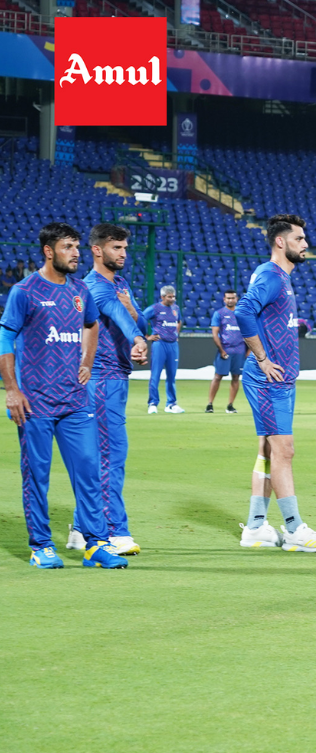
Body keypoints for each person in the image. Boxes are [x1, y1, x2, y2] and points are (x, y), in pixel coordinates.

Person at [0, 222, 128, 569]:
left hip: (74, 401)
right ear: (49, 250)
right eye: (68, 247)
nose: (75, 253)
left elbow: (91, 324)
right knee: (37, 475)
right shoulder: (24, 292)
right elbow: (5, 338)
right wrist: (12, 390)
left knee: (89, 471)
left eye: (76, 247)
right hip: (35, 403)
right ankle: (41, 545)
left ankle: (95, 544)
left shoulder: (80, 291)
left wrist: (87, 361)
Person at [235, 213, 316, 552]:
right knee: (284, 451)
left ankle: (255, 528)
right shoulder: (272, 275)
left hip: (278, 381)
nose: (306, 244)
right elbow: (244, 311)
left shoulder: (281, 278)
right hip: (268, 381)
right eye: (299, 239)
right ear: (281, 242)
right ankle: (294, 529)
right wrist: (263, 358)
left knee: (267, 452)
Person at [67, 223, 150, 558]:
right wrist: (137, 338)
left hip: (115, 379)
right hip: (101, 381)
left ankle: (79, 528)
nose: (124, 254)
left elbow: (136, 318)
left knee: (100, 455)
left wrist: (136, 322)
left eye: (125, 248)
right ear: (97, 250)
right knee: (111, 455)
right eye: (117, 248)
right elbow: (124, 319)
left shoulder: (120, 284)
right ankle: (114, 530)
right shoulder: (93, 287)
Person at [143, 285, 183, 414]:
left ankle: (171, 404)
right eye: (169, 297)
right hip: (160, 344)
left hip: (173, 345)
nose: (172, 299)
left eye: (173, 296)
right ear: (162, 297)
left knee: (172, 375)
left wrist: (176, 334)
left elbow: (179, 321)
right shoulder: (155, 309)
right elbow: (140, 319)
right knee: (156, 374)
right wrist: (147, 337)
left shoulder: (176, 308)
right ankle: (153, 403)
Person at [207, 290, 245, 414]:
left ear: (237, 299)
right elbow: (215, 333)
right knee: (218, 376)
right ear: (224, 299)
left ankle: (230, 405)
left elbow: (249, 332)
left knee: (236, 377)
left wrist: (248, 350)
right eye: (228, 298)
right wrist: (221, 350)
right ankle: (210, 404)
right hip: (225, 349)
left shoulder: (242, 314)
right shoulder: (219, 314)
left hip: (239, 350)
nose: (230, 300)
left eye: (233, 298)